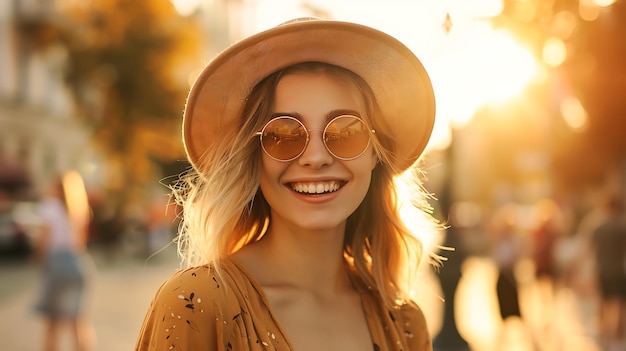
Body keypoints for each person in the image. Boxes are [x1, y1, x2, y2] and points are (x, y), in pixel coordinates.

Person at [136, 17, 438, 351]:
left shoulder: (405, 322)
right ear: (255, 157)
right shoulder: (196, 303)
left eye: (345, 131)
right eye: (283, 134)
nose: (316, 157)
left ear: (375, 156)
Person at [34, 171, 95, 351]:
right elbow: (82, 242)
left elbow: (43, 240)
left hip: (57, 263)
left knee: (52, 323)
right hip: (78, 263)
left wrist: (39, 260)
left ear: (56, 188)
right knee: (78, 321)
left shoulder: (49, 206)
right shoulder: (79, 208)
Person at [590, 195, 626, 350]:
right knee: (619, 305)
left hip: (602, 270)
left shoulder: (598, 227)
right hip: (619, 271)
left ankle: (603, 335)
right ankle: (618, 338)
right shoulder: (621, 226)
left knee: (603, 303)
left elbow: (588, 250)